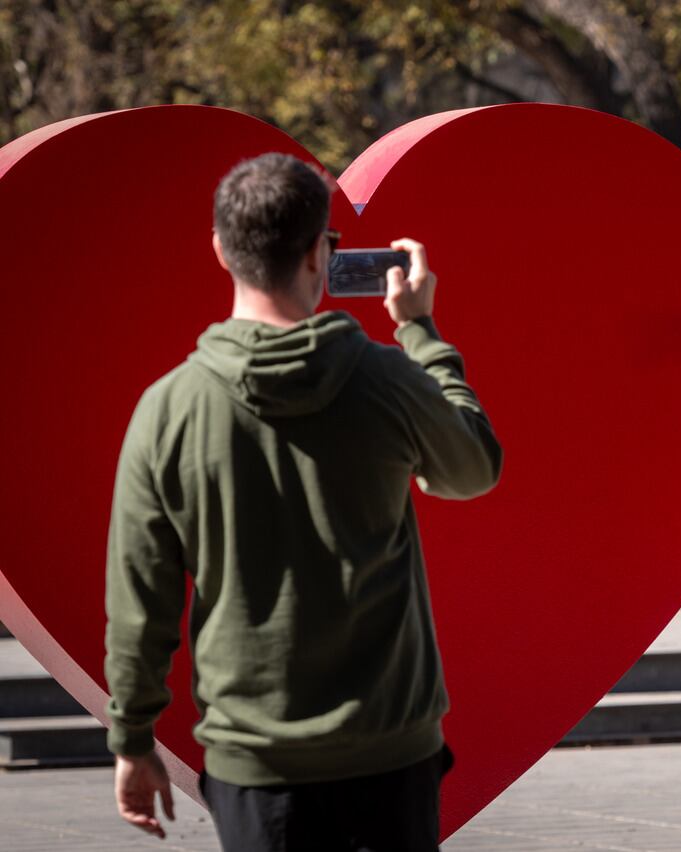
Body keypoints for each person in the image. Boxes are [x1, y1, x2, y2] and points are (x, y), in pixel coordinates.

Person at [103, 152, 502, 851]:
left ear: (222, 250)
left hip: (255, 761)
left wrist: (133, 739)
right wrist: (421, 332)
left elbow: (142, 599)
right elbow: (471, 469)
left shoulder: (168, 409)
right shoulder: (387, 380)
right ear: (322, 252)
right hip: (389, 752)